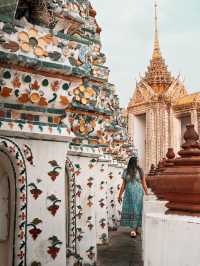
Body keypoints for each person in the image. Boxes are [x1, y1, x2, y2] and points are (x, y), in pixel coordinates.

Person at [118, 156, 148, 238]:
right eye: (137, 161)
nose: (138, 163)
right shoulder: (126, 171)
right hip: (129, 194)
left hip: (138, 193)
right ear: (133, 162)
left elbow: (144, 183)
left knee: (137, 209)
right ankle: (133, 228)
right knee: (132, 209)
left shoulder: (140, 171)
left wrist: (147, 194)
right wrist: (119, 195)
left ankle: (134, 229)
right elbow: (123, 185)